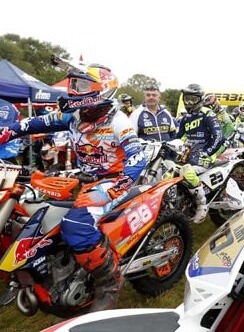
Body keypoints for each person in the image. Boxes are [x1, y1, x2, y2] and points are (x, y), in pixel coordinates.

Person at [0, 64, 146, 312]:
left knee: (75, 225)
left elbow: (137, 156)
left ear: (103, 90)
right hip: (81, 177)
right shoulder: (74, 115)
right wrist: (7, 131)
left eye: (81, 85)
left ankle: (109, 283)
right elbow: (34, 123)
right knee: (28, 207)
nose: (73, 90)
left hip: (112, 180)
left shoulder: (119, 121)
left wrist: (118, 187)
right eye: (73, 85)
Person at [176, 84, 224, 223]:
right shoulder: (185, 118)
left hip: (205, 155)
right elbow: (177, 137)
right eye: (187, 99)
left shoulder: (208, 114)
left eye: (193, 99)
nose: (189, 102)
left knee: (187, 172)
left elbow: (219, 136)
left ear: (200, 99)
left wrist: (208, 152)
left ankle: (202, 205)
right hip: (189, 154)